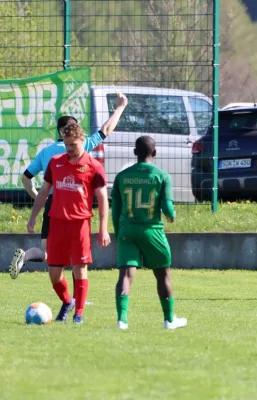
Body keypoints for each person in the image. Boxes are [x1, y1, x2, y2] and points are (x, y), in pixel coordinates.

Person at [9, 93, 128, 279]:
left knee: (49, 252)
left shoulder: (46, 152)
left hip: (52, 203)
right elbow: (106, 128)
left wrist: (38, 198)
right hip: (74, 205)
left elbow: (26, 178)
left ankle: (27, 255)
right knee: (76, 257)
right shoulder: (82, 145)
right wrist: (120, 107)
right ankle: (76, 300)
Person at [26, 123, 110, 324]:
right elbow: (44, 192)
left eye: (72, 144)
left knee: (79, 269)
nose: (69, 148)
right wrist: (33, 216)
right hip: (56, 224)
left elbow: (103, 199)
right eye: (66, 144)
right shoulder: (55, 162)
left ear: (83, 140)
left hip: (79, 225)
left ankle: (78, 314)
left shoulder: (94, 166)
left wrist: (103, 228)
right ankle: (67, 301)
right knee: (54, 275)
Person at [112, 136, 186, 330]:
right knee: (163, 275)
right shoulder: (161, 176)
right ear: (155, 153)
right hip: (152, 231)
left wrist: (119, 234)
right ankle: (169, 320)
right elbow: (168, 207)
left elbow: (115, 211)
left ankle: (122, 320)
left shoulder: (122, 176)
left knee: (125, 276)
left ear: (135, 153)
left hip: (127, 230)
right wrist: (172, 216)